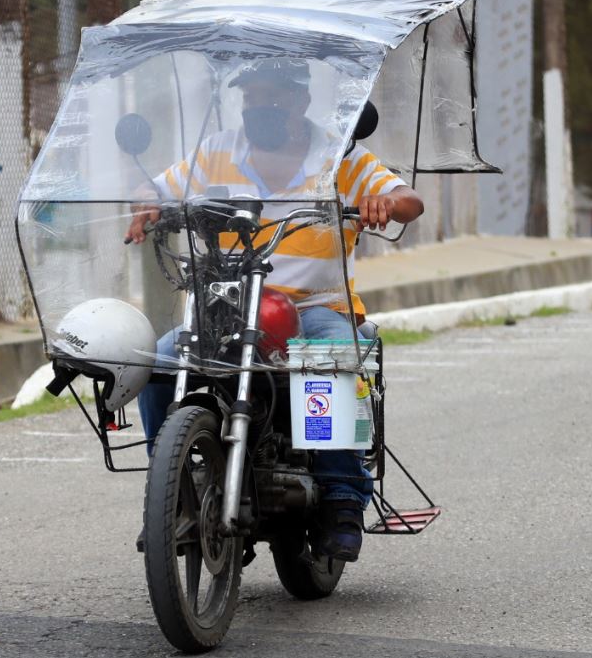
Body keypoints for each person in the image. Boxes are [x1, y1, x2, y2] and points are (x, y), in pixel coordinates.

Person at [126, 58, 424, 562]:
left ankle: (342, 499)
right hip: (225, 306)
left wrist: (384, 204)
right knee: (156, 363)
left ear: (302, 101)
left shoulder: (341, 156)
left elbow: (407, 199)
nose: (260, 106)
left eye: (275, 96)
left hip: (315, 307)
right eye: (252, 97)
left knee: (329, 359)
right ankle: (173, 489)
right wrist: (145, 200)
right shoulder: (218, 150)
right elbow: (156, 186)